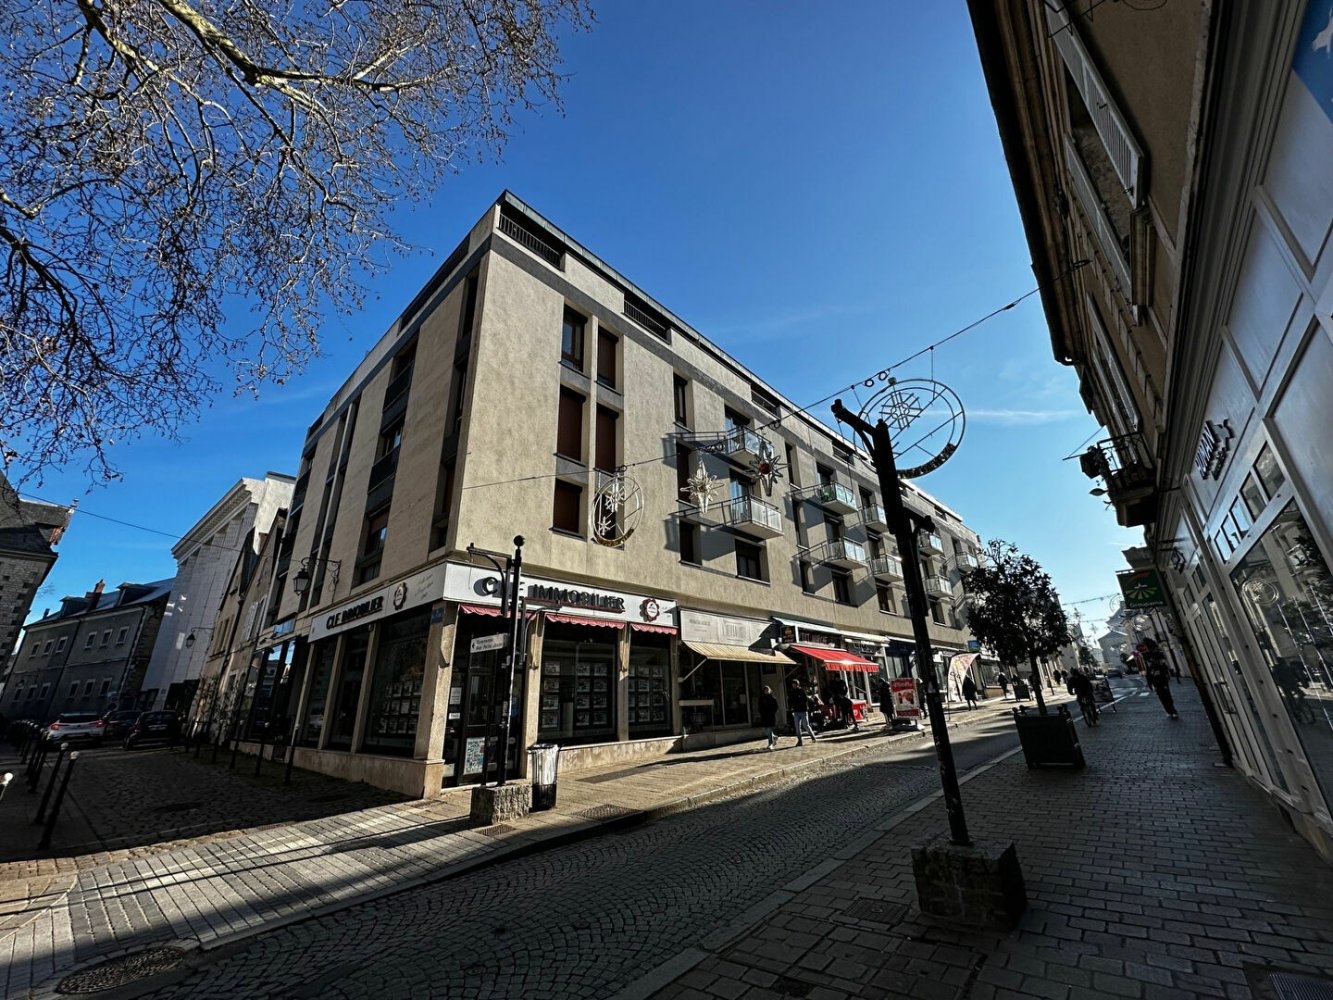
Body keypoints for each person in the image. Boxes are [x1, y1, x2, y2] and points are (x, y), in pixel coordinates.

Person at [1141, 639, 1178, 719]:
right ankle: (1171, 710)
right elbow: (1151, 668)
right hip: (1159, 678)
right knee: (1165, 694)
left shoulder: (1152, 655)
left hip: (1158, 678)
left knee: (1163, 695)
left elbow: (1150, 669)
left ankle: (1170, 710)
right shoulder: (1152, 654)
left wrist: (1149, 681)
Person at [758, 685, 780, 750]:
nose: (766, 691)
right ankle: (774, 737)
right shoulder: (761, 698)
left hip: (770, 715)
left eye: (767, 690)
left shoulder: (772, 697)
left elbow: (776, 706)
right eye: (765, 690)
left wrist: (772, 712)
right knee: (766, 729)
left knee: (769, 729)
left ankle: (770, 743)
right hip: (764, 716)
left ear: (769, 690)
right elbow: (759, 706)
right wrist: (761, 712)